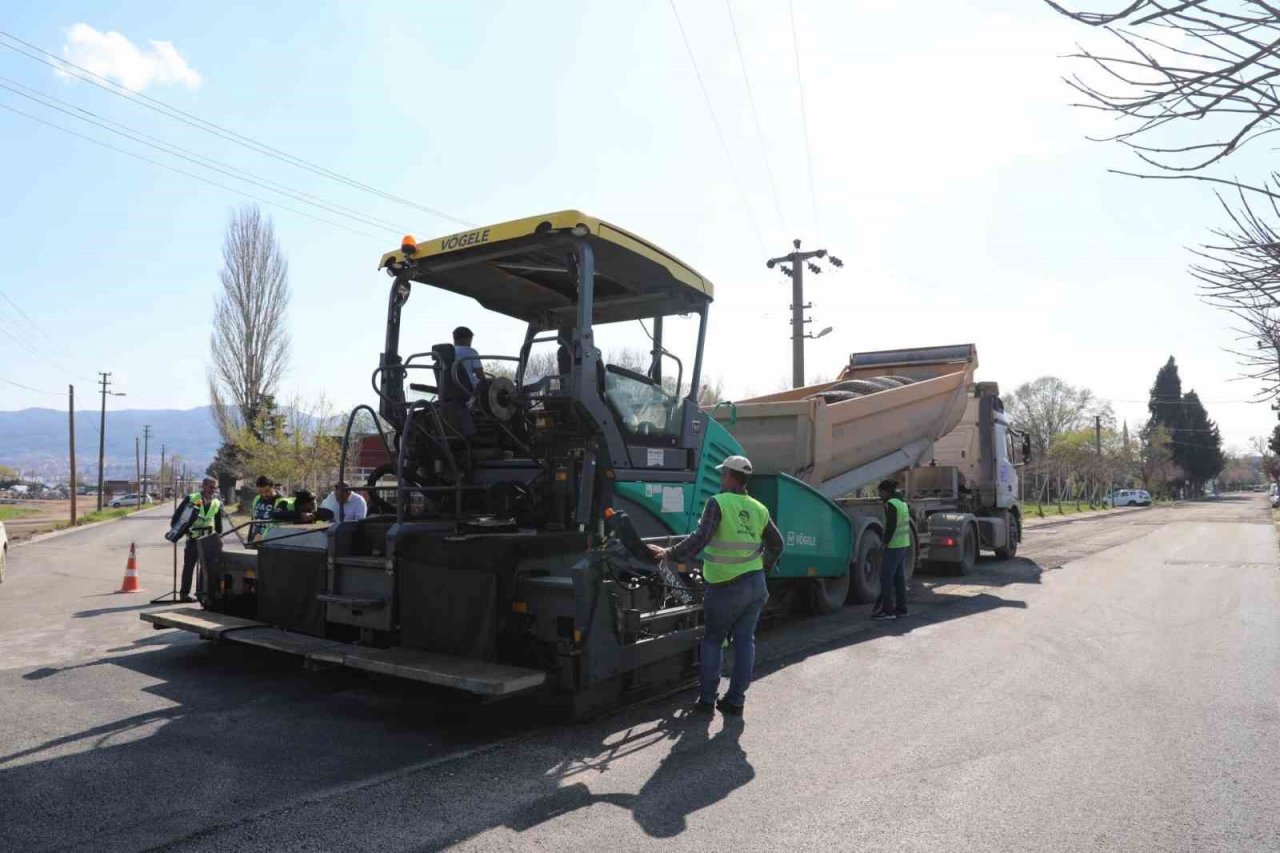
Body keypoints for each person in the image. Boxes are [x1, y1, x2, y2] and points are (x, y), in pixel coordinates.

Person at [649, 454, 783, 716]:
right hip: (755, 585)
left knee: (712, 641)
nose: (721, 477)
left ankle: (708, 701)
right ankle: (736, 701)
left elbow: (701, 538)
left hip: (725, 586)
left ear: (731, 476)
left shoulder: (718, 503)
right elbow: (777, 544)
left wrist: (668, 554)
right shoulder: (759, 508)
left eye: (723, 473)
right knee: (745, 641)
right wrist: (760, 568)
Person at [170, 476, 224, 603]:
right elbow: (177, 518)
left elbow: (218, 523)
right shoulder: (192, 499)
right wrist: (178, 530)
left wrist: (219, 535)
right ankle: (184, 594)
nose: (213, 490)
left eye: (215, 488)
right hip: (193, 539)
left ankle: (204, 593)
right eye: (211, 487)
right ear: (203, 486)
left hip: (209, 539)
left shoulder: (216, 502)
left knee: (207, 568)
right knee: (189, 566)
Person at [873, 479, 911, 620]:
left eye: (880, 492)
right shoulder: (902, 503)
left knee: (886, 579)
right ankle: (902, 609)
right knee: (899, 579)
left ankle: (887, 611)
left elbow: (891, 526)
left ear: (886, 492)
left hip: (893, 546)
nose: (879, 495)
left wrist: (884, 543)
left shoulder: (891, 504)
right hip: (903, 544)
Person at [248, 475, 285, 543]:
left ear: (273, 487)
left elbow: (276, 523)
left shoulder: (281, 501)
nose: (264, 494)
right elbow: (253, 520)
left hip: (270, 540)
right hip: (255, 539)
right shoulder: (257, 498)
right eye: (261, 492)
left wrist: (262, 536)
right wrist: (250, 537)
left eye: (267, 491)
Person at [451, 326, 485, 394]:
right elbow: (479, 374)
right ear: (467, 339)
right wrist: (487, 382)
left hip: (450, 386)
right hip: (468, 387)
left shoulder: (449, 351)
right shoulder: (471, 352)